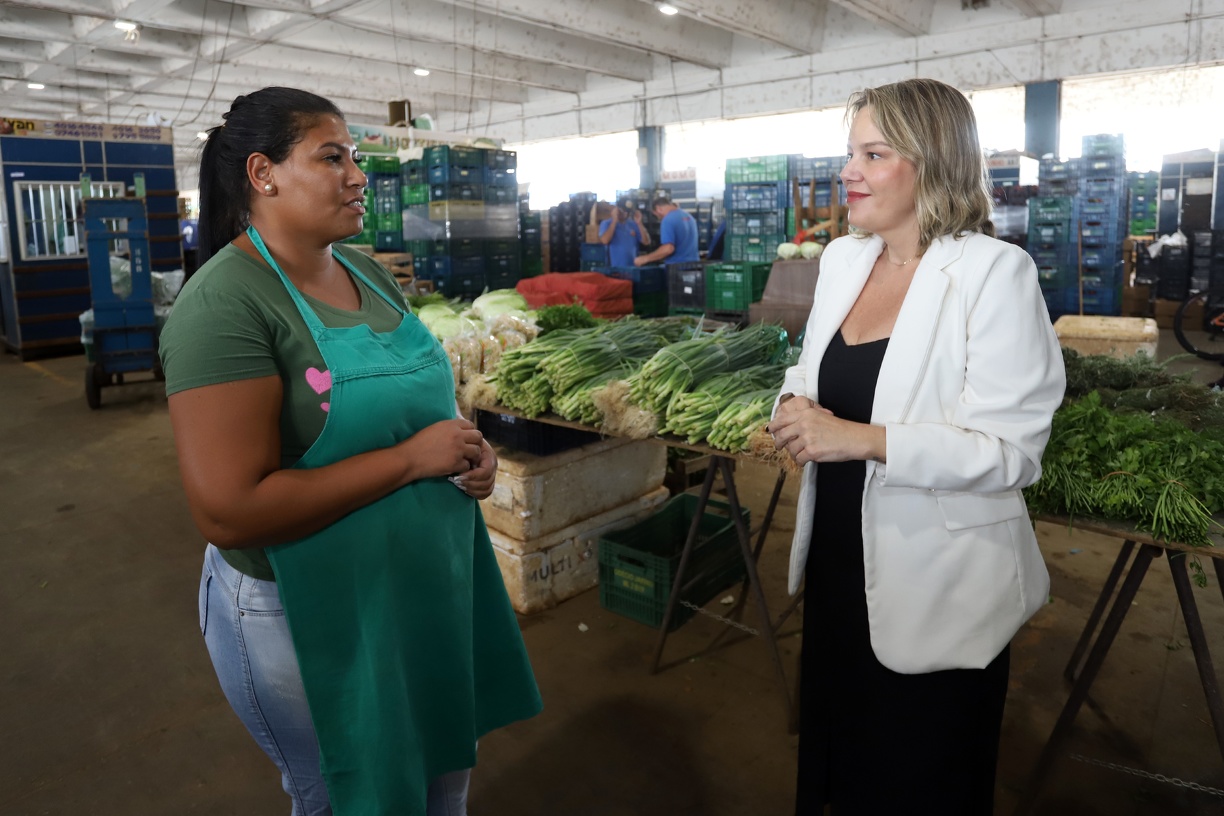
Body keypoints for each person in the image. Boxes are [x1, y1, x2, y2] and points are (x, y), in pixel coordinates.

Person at [158, 86, 541, 816]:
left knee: (439, 778)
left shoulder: (363, 270)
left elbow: (421, 406)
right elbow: (229, 511)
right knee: (354, 794)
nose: (357, 176)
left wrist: (467, 450)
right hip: (303, 613)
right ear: (263, 174)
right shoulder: (226, 306)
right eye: (332, 157)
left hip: (415, 591)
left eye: (355, 157)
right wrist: (410, 462)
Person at [766, 77, 1065, 814]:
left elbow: (1010, 451)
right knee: (841, 758)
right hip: (840, 558)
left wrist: (859, 439)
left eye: (873, 153)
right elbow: (806, 370)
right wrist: (790, 406)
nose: (849, 171)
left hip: (939, 578)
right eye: (850, 153)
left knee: (917, 771)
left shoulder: (994, 275)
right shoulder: (842, 259)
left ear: (931, 162)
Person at [633, 195, 699, 266]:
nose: (659, 218)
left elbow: (668, 249)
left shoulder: (668, 219)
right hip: (695, 266)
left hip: (677, 268)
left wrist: (645, 258)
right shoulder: (689, 217)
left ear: (658, 209)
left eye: (656, 215)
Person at [598, 198, 651, 267]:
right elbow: (605, 240)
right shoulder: (606, 223)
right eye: (623, 211)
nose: (625, 214)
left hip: (632, 267)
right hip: (614, 268)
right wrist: (614, 220)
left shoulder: (633, 224)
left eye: (627, 212)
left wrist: (640, 223)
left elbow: (646, 242)